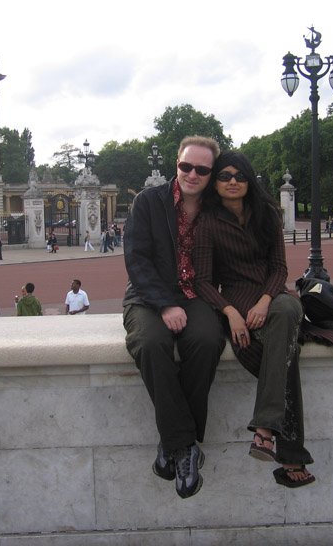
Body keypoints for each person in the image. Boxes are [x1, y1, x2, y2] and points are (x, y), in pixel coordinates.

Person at [193, 150, 316, 489]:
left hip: (271, 293)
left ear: (249, 180)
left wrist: (265, 301)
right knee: (284, 355)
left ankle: (264, 428)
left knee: (290, 309)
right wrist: (230, 313)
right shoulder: (206, 222)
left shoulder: (268, 215)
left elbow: (279, 268)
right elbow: (202, 280)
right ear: (215, 183)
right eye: (225, 176)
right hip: (233, 296)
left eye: (240, 176)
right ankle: (291, 454)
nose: (233, 181)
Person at [122, 135, 224, 500]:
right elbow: (137, 259)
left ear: (211, 174)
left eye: (201, 169)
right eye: (186, 166)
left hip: (196, 295)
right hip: (147, 296)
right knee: (151, 344)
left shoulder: (217, 208)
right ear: (175, 164)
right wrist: (164, 304)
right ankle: (186, 445)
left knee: (207, 340)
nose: (192, 174)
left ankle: (174, 445)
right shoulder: (148, 202)